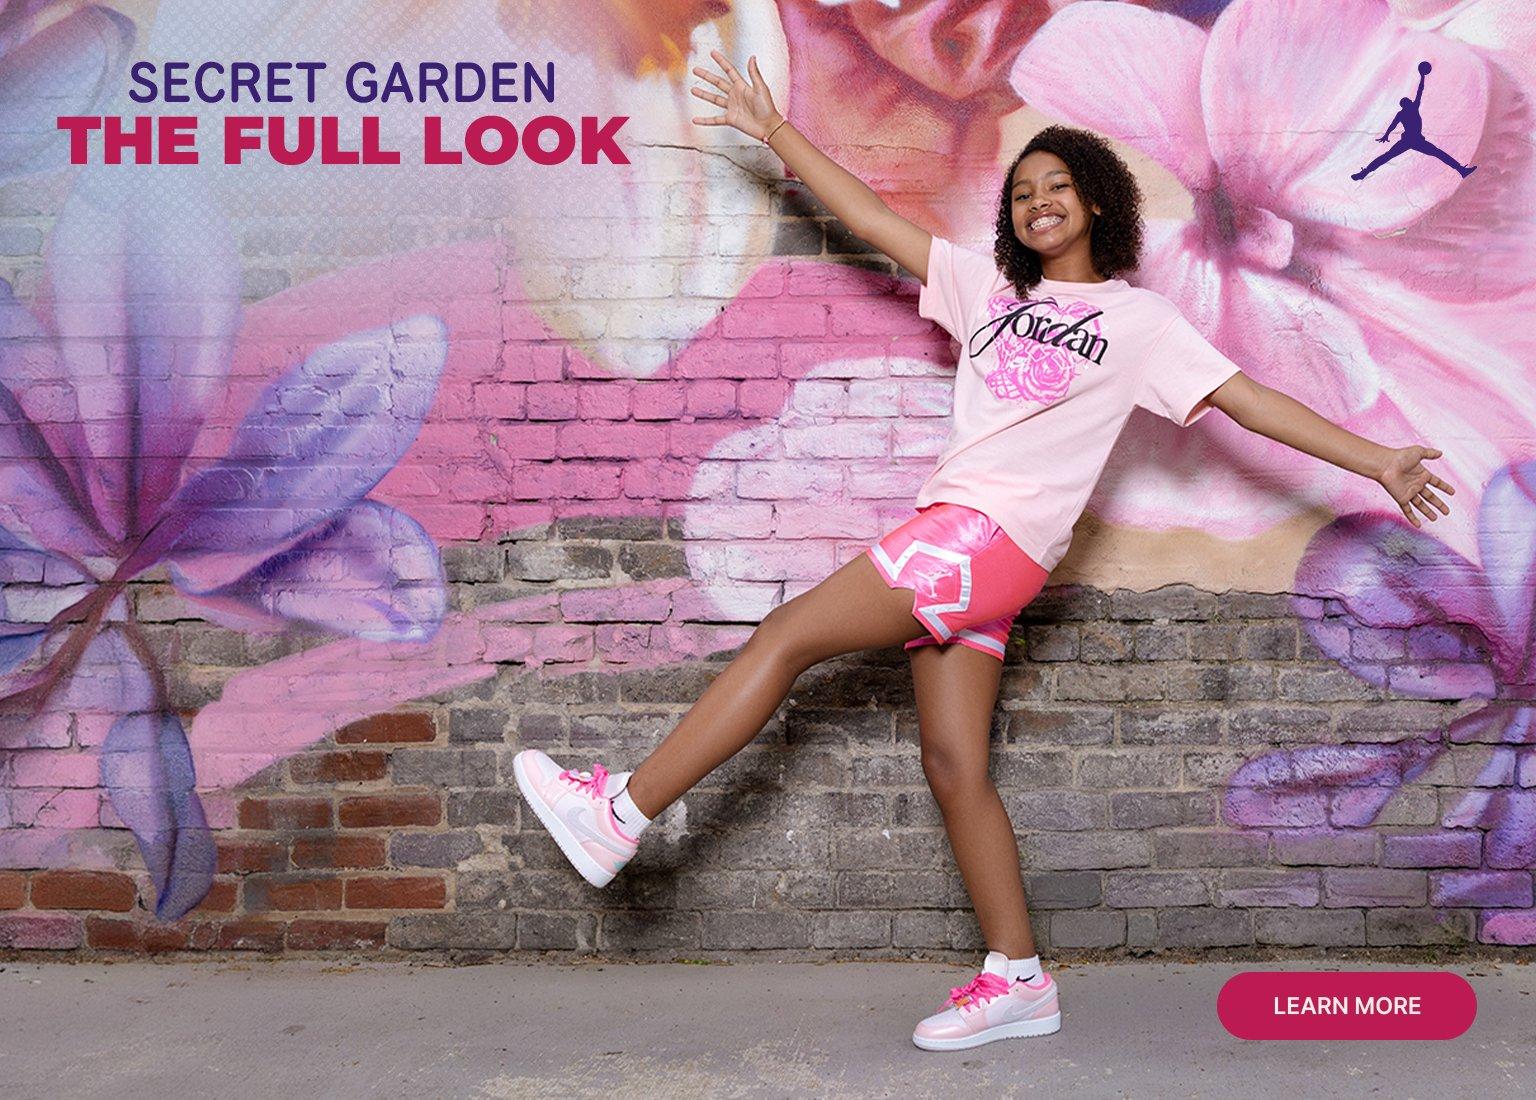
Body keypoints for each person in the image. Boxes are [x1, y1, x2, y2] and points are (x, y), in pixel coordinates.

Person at [513, 49, 1456, 1052]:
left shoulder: (1138, 322)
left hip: (979, 536)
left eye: (1058, 186)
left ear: (1096, 204)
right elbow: (874, 223)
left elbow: (1247, 402)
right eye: (1023, 192)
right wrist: (776, 132)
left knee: (786, 635)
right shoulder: (985, 295)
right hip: (984, 558)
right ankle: (1017, 973)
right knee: (955, 764)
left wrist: (1377, 457)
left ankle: (622, 807)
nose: (1038, 200)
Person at [1352, 60, 1476, 181]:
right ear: (1406, 104)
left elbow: (1393, 125)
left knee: (1387, 156)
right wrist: (1422, 76)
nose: (1411, 101)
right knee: (1438, 153)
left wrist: (1386, 135)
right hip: (1413, 140)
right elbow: (1419, 92)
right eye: (1408, 101)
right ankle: (1461, 170)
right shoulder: (1412, 109)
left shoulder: (1403, 112)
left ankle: (1364, 173)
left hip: (1411, 140)